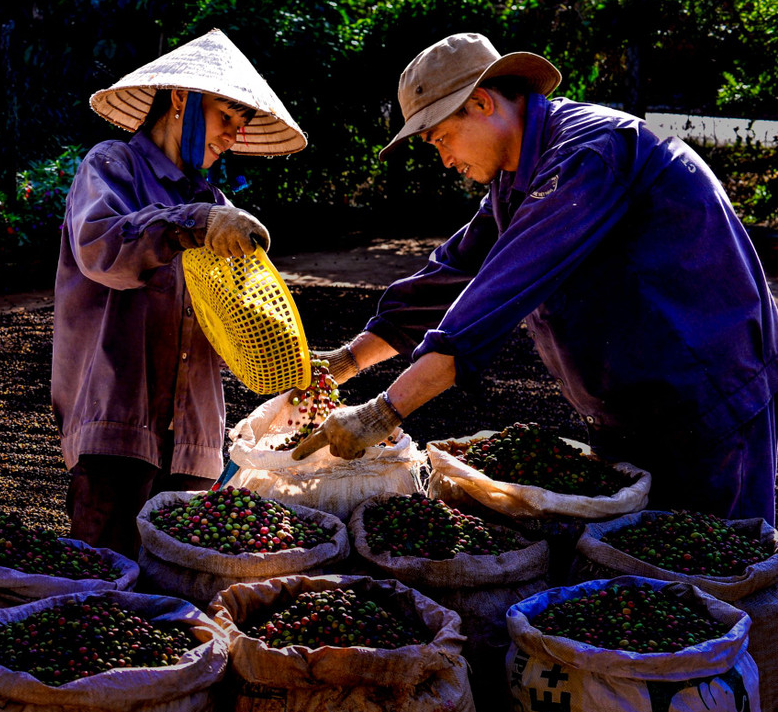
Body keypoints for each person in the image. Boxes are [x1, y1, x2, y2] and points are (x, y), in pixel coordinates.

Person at [295, 32, 778, 523]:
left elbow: (496, 294)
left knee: (717, 567)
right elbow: (454, 272)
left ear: (481, 103)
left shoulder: (587, 154)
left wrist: (382, 413)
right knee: (641, 567)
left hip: (704, 403)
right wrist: (344, 363)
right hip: (627, 411)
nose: (444, 159)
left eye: (441, 138)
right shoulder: (517, 177)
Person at [53, 29, 306, 556]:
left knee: (175, 602)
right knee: (108, 593)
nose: (233, 135)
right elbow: (102, 251)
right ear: (181, 99)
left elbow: (235, 315)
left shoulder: (212, 201)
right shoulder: (112, 166)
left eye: (241, 124)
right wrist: (194, 221)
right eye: (226, 116)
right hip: (117, 428)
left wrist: (297, 360)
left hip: (192, 443)